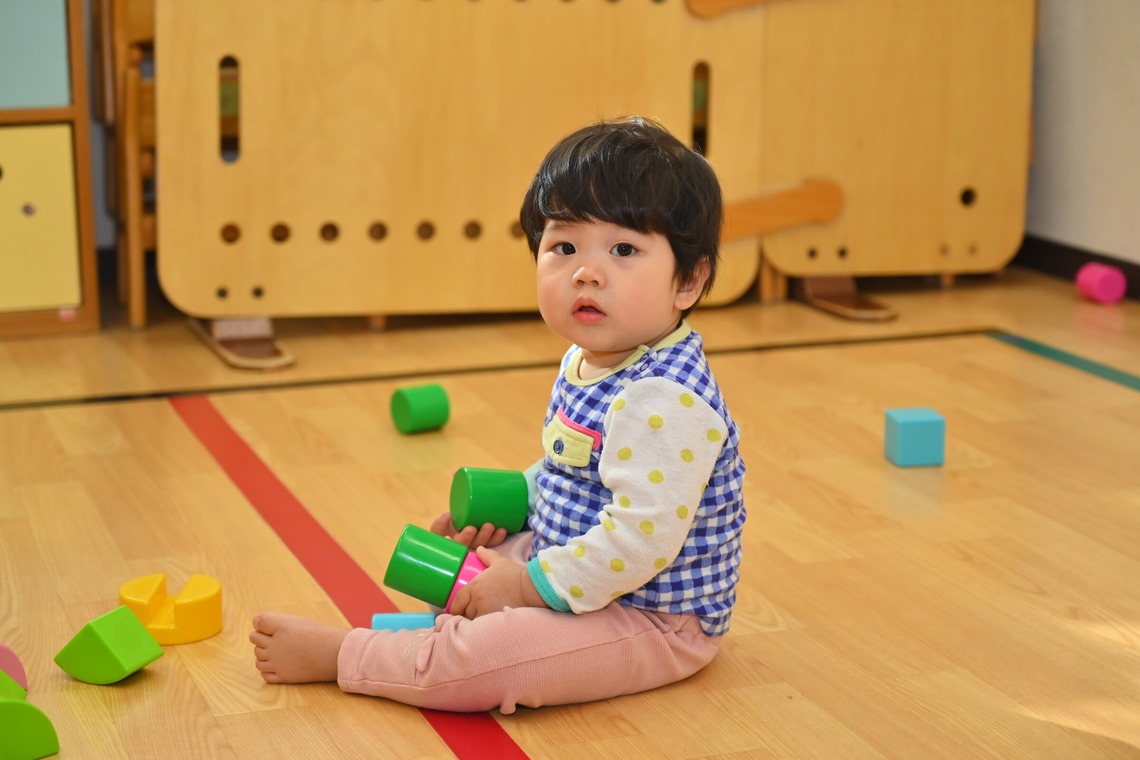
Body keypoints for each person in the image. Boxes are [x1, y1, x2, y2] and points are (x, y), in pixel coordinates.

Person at [249, 116, 747, 713]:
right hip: (583, 566)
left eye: (623, 249)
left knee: (492, 658)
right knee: (464, 571)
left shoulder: (666, 400)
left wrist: (527, 583)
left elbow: (641, 539)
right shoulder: (590, 358)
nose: (587, 271)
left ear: (688, 281)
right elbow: (572, 466)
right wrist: (516, 509)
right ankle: (432, 636)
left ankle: (349, 656)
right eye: (564, 247)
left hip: (651, 616)